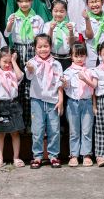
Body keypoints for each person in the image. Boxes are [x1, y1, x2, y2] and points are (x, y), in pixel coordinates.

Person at [25, 33, 63, 168]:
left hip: (53, 100)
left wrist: (60, 100)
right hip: (37, 100)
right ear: (35, 48)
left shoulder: (56, 64)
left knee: (54, 129)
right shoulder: (32, 62)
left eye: (45, 46)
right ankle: (37, 156)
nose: (43, 49)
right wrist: (30, 68)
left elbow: (60, 83)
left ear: (50, 47)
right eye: (39, 47)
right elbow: (29, 76)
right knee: (37, 129)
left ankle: (53, 155)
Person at [0, 45, 25, 168]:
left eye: (10, 62)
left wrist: (14, 61)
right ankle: (0, 158)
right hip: (0, 106)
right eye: (5, 62)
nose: (7, 64)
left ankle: (16, 158)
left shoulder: (14, 73)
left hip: (14, 104)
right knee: (0, 133)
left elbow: (20, 76)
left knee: (15, 132)